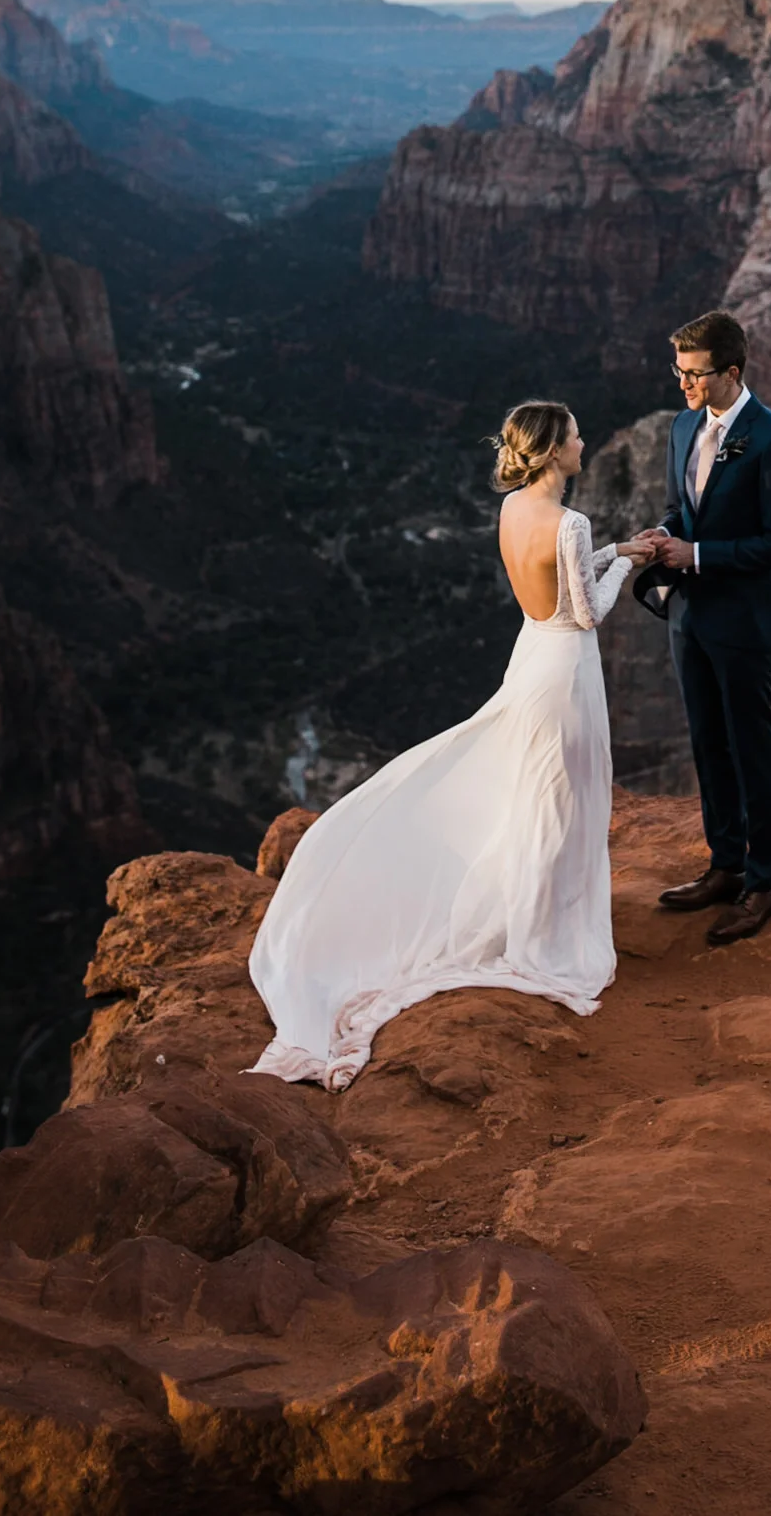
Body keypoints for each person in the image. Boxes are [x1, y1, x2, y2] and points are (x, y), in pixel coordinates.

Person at [246, 402, 659, 1089]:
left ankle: (530, 912)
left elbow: (556, 588)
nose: (585, 443)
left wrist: (615, 549)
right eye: (577, 435)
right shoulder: (571, 521)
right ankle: (547, 935)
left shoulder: (514, 510)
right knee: (564, 796)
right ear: (556, 449)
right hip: (566, 671)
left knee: (535, 789)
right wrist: (632, 564)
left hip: (531, 656)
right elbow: (588, 611)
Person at [635, 310, 771, 945]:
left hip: (742, 617)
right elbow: (684, 506)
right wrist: (667, 533)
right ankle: (724, 864)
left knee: (750, 747)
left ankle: (766, 880)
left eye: (695, 375)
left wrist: (700, 556)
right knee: (708, 741)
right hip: (688, 615)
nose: (683, 386)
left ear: (732, 373)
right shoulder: (683, 426)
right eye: (678, 373)